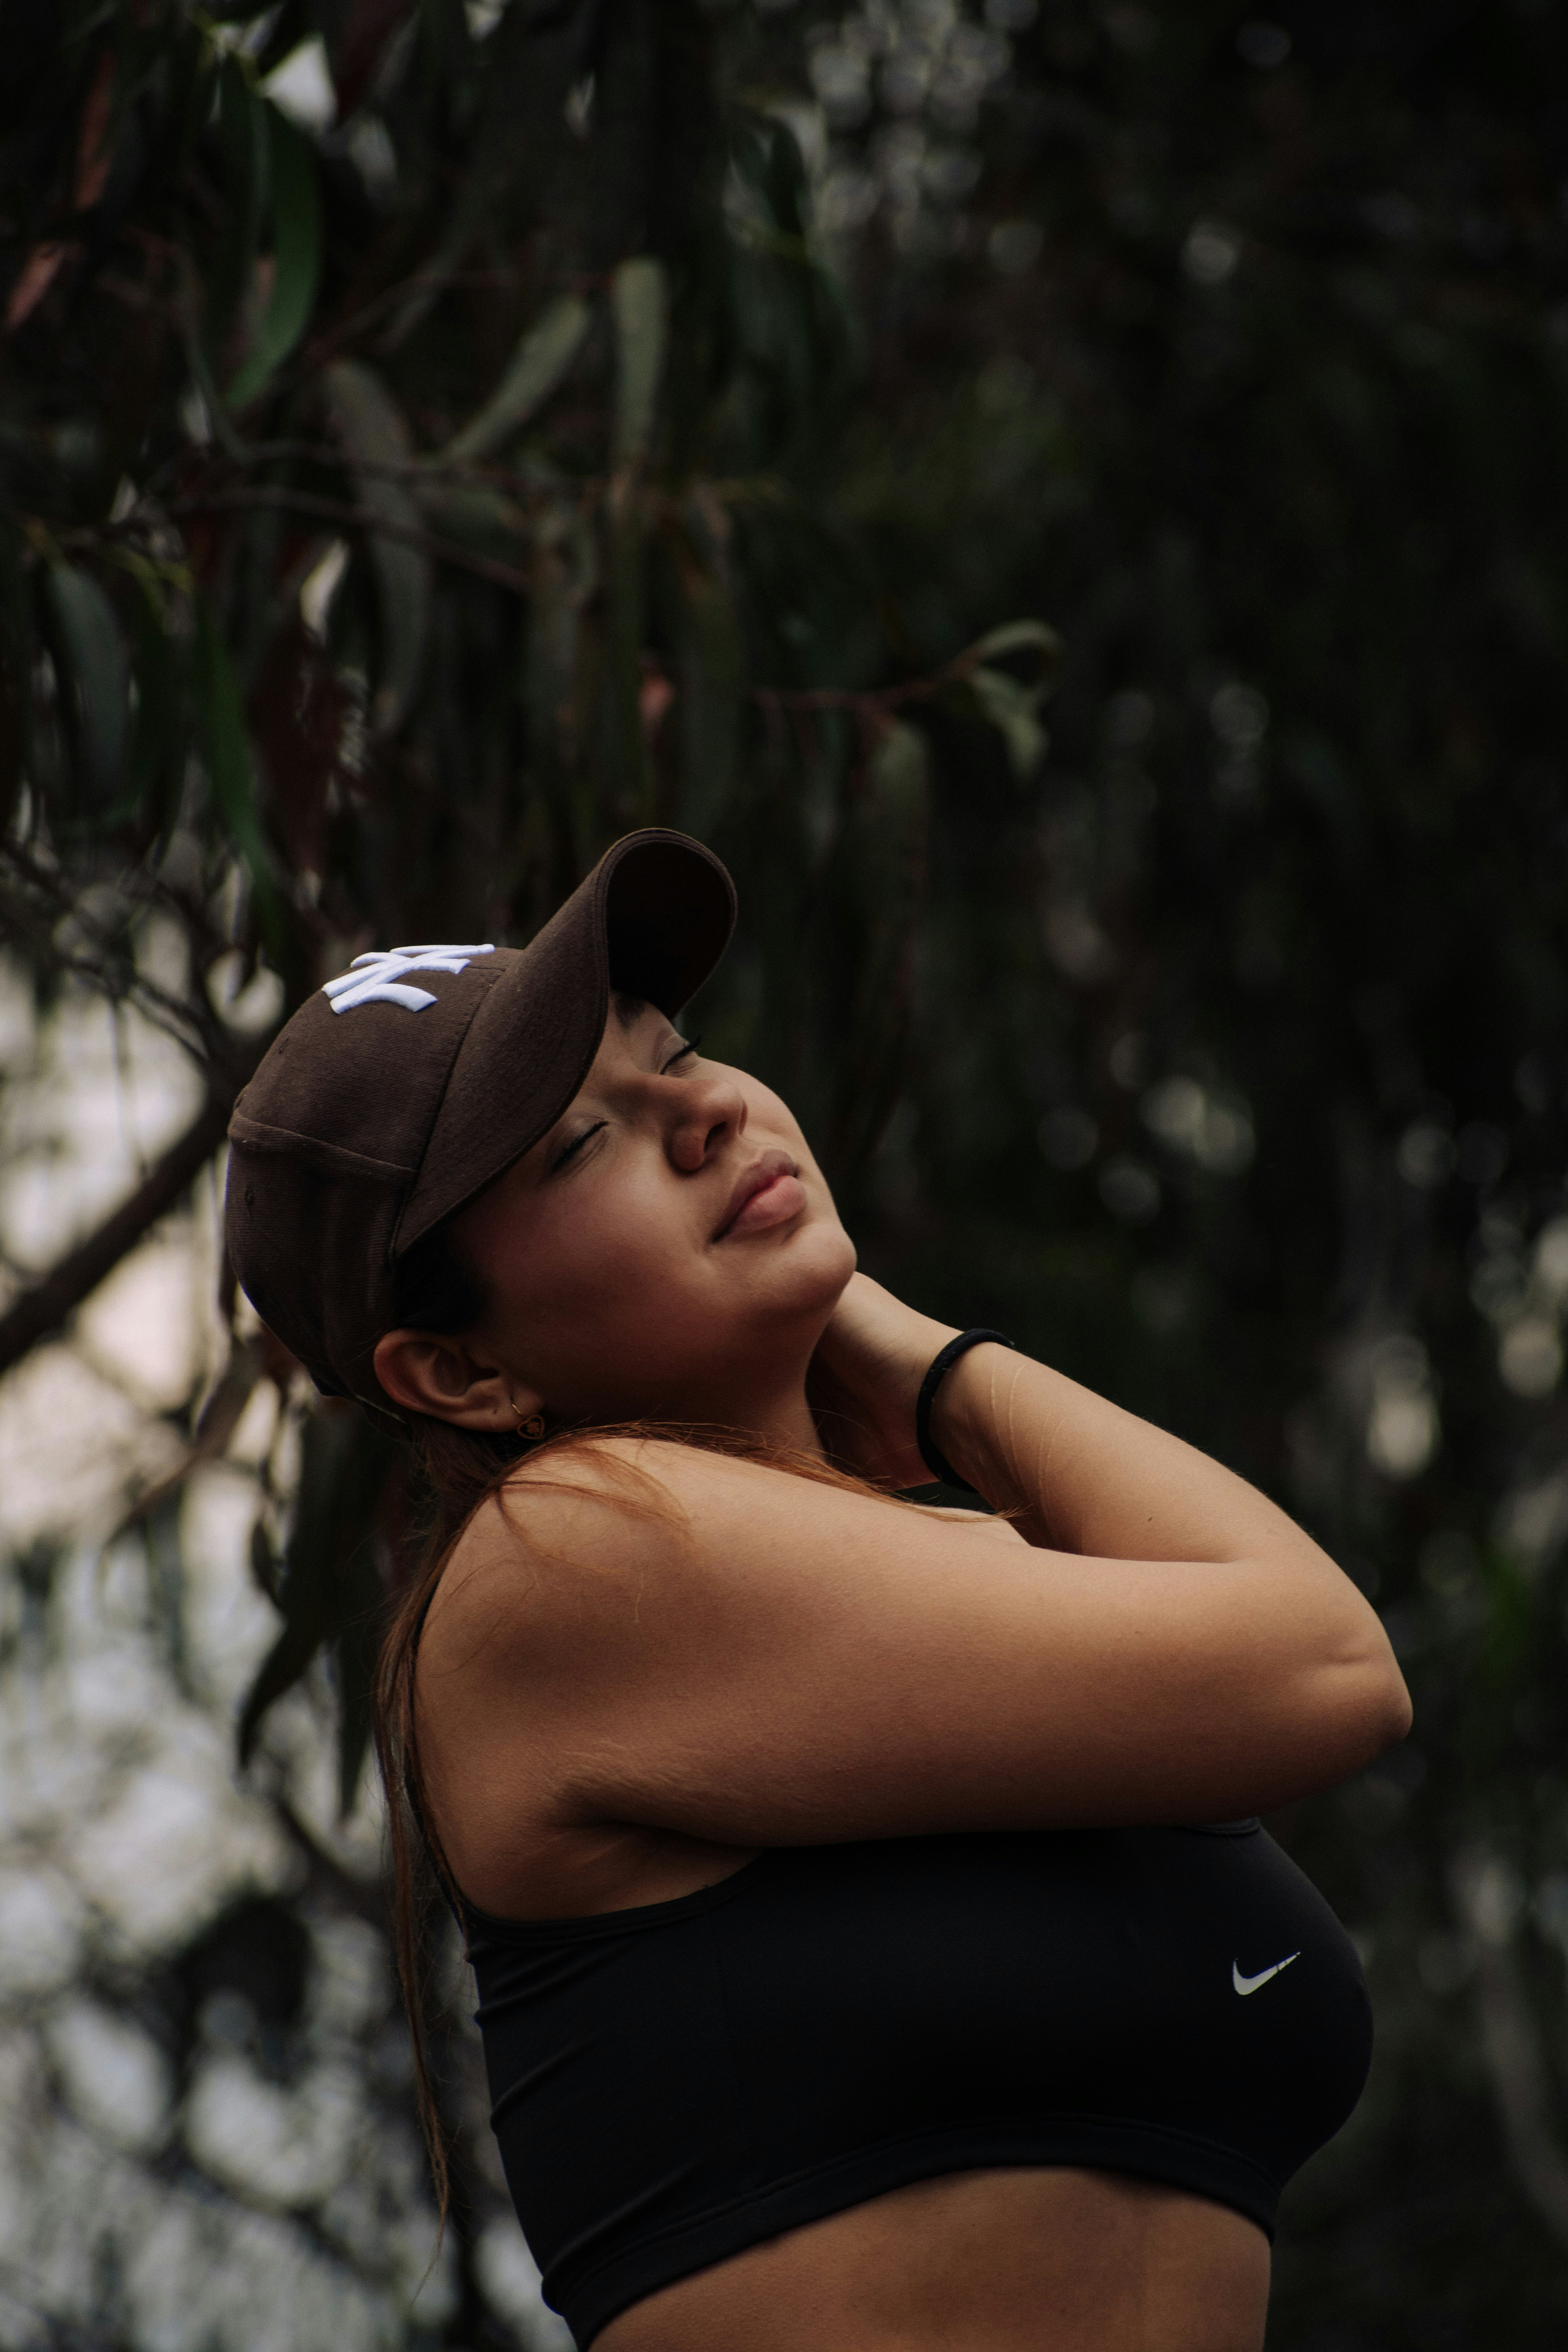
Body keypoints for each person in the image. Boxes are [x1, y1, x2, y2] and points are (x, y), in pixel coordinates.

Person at [225, 828, 1411, 2352]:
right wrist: (917, 1355)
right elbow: (1322, 1667)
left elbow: (1296, 1639)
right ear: (456, 1369)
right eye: (583, 1141)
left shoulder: (919, 1569)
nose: (712, 1113)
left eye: (682, 1057)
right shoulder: (566, 1555)